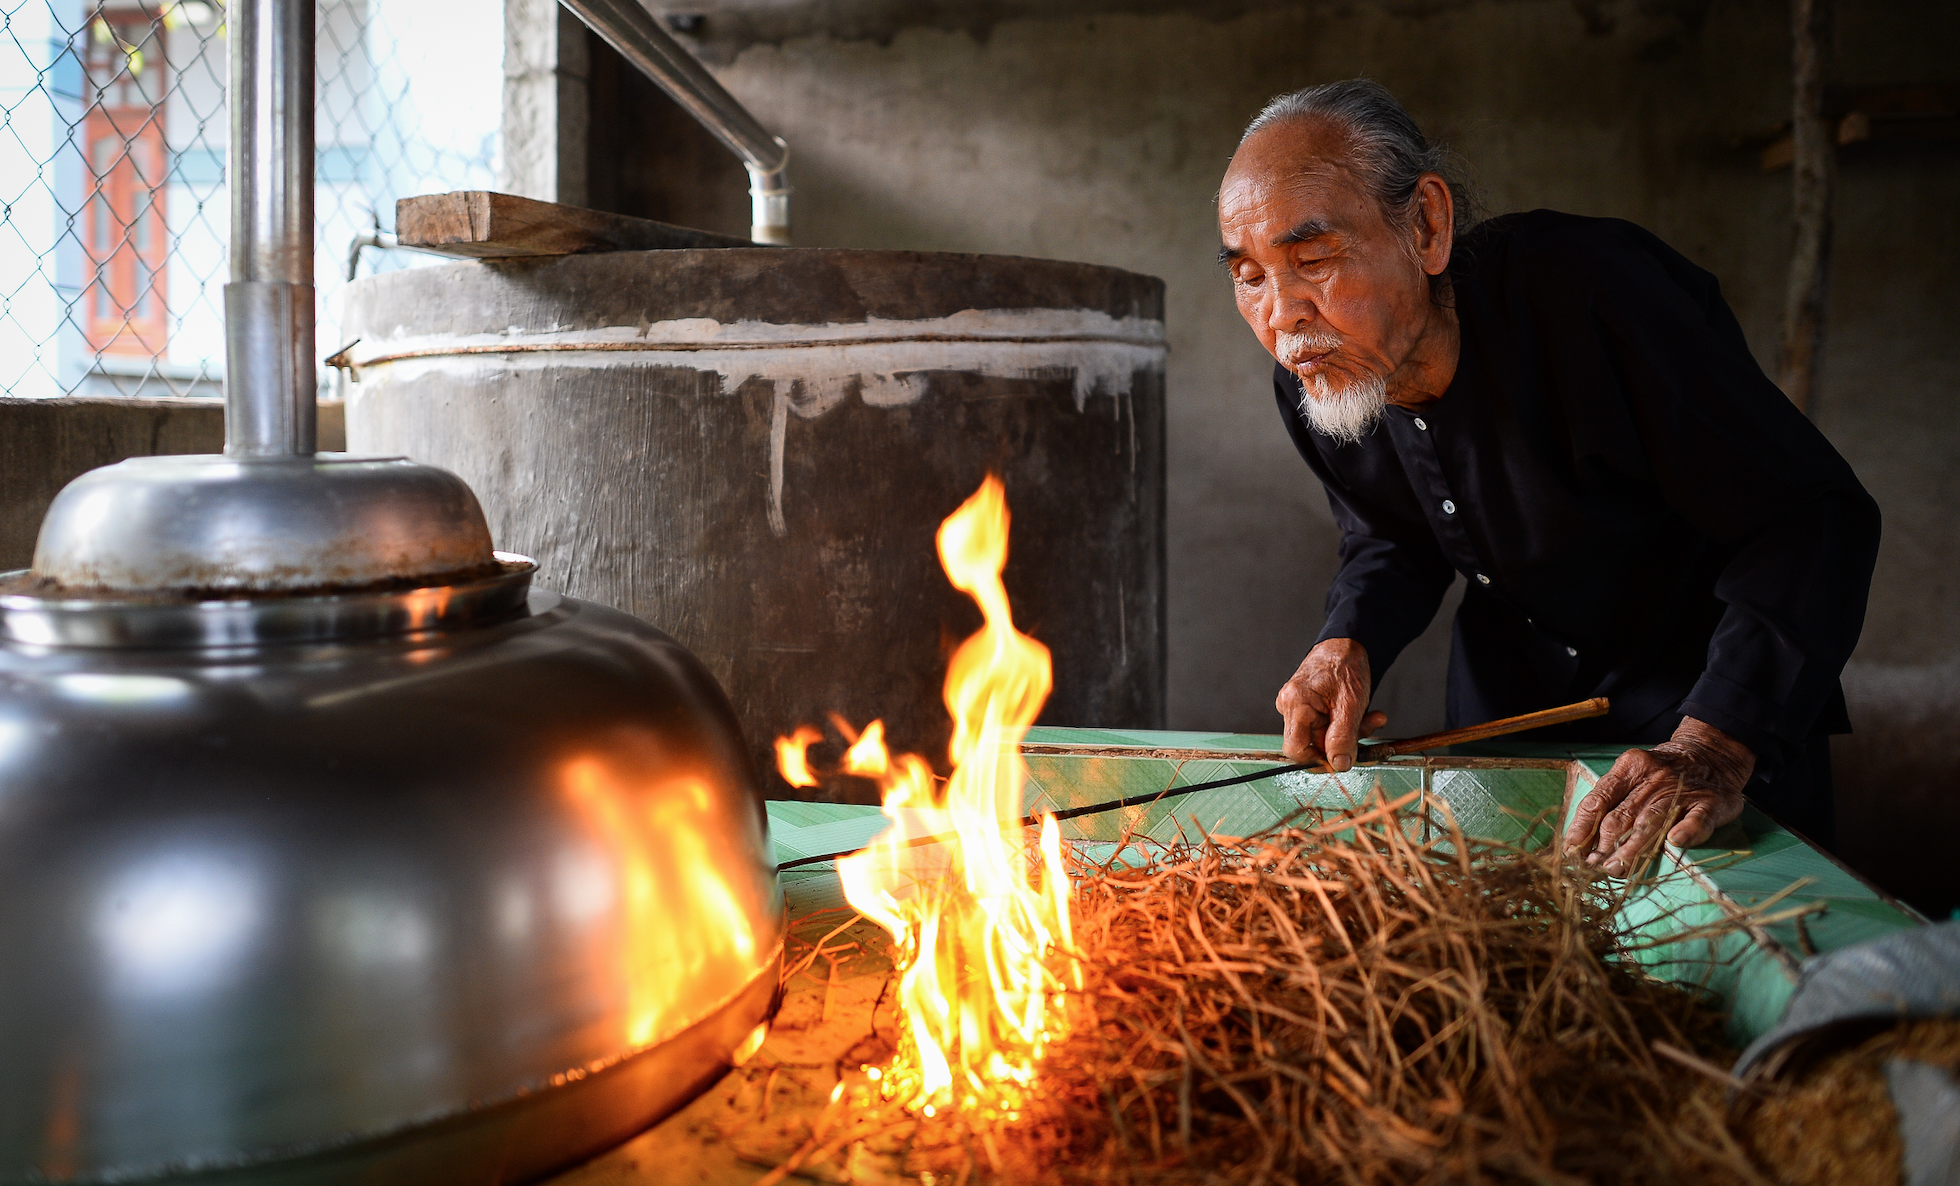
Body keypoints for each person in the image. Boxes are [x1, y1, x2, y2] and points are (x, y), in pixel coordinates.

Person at [1218, 80, 1880, 872]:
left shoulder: (1597, 295)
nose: (1282, 315)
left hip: (1711, 703)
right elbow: (1391, 532)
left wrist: (1717, 740)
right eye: (1249, 275)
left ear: (1426, 226)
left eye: (1313, 259)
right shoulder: (1319, 376)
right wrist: (1346, 639)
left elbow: (1811, 516)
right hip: (1514, 714)